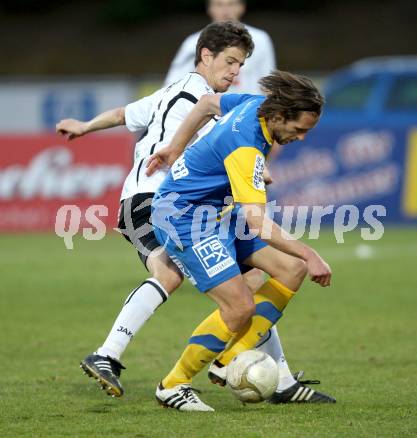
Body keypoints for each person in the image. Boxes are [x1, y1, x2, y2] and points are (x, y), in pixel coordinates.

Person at [55, 21, 254, 398]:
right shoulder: (202, 103)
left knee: (231, 275)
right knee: (184, 273)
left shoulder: (172, 92)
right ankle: (109, 354)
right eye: (230, 61)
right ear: (206, 56)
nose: (235, 71)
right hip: (154, 199)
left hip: (149, 202)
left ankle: (109, 355)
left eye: (240, 65)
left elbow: (121, 114)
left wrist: (84, 126)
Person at [151, 71, 336, 412]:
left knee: (290, 269)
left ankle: (229, 359)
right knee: (239, 306)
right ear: (280, 117)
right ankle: (173, 385)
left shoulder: (256, 105)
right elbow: (258, 222)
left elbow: (207, 104)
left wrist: (175, 147)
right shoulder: (248, 148)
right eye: (299, 130)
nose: (302, 138)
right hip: (182, 217)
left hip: (216, 211)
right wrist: (311, 253)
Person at [164, 0, 275, 94]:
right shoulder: (193, 42)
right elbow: (173, 82)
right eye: (219, 5)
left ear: (242, 7)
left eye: (231, 4)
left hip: (246, 112)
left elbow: (268, 81)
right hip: (207, 114)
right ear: (209, 9)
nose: (225, 11)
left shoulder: (260, 39)